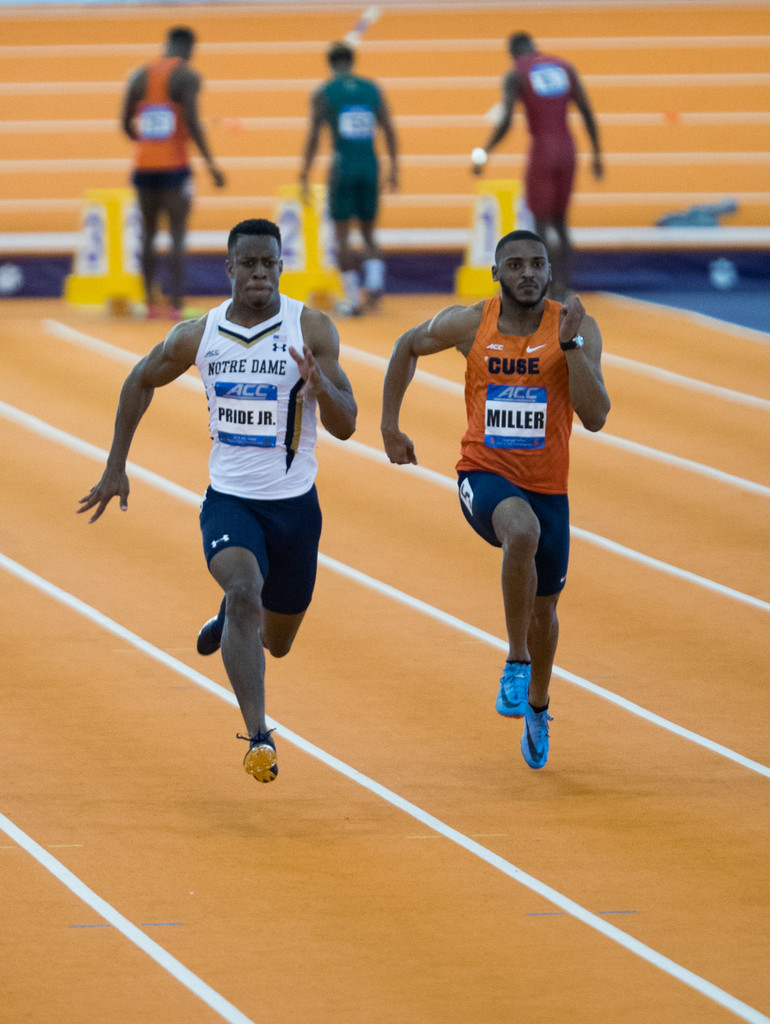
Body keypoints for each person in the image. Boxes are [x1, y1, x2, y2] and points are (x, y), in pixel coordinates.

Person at [78, 218, 358, 784]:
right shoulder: (199, 334)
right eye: (248, 263)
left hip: (295, 508)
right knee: (243, 584)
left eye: (269, 263)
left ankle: (235, 619)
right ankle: (259, 735)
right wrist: (115, 466)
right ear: (229, 268)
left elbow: (348, 424)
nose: (259, 273)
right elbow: (140, 378)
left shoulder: (311, 328)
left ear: (281, 266)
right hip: (230, 501)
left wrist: (321, 387)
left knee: (276, 642)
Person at [380, 230, 609, 769]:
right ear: (497, 274)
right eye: (515, 264)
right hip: (483, 473)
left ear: (549, 272)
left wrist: (572, 347)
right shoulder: (470, 323)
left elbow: (596, 417)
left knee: (545, 611)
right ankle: (515, 662)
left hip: (549, 484)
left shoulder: (576, 327)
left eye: (537, 264)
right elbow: (406, 345)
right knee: (520, 531)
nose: (527, 273)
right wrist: (390, 424)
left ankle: (537, 704)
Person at [471, 32, 603, 299]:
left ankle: (547, 288)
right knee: (562, 223)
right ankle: (565, 284)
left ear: (513, 53)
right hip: (568, 148)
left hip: (543, 151)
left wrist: (485, 151)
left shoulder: (515, 74)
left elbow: (506, 120)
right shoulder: (564, 66)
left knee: (541, 224)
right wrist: (597, 154)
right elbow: (587, 110)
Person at [121, 25, 226, 319]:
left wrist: (146, 144)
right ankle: (177, 304)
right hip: (175, 168)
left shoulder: (139, 75)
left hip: (144, 167)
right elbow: (192, 122)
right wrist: (211, 164)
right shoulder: (187, 76)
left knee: (148, 234)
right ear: (190, 49)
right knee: (177, 236)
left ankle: (150, 304)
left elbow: (125, 122)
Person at [299, 40, 399, 315]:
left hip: (342, 168)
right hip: (370, 165)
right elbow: (389, 128)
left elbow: (313, 136)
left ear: (330, 64)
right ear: (352, 62)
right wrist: (394, 170)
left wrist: (304, 174)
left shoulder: (324, 93)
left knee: (342, 237)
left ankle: (354, 300)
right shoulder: (372, 89)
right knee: (369, 234)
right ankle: (375, 290)